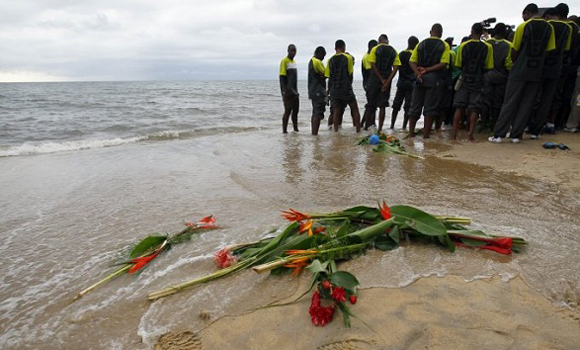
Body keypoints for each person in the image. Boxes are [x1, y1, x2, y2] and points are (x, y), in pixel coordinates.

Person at [489, 3, 555, 143]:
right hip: (536, 71)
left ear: (527, 13)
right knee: (527, 103)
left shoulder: (523, 26)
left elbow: (514, 49)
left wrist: (517, 64)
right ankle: (516, 135)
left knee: (510, 101)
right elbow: (549, 51)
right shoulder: (549, 28)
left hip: (519, 70)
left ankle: (499, 134)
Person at [528, 7, 572, 138]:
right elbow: (567, 48)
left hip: (541, 66)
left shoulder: (547, 26)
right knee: (550, 98)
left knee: (534, 96)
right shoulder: (568, 29)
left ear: (548, 15)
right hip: (558, 68)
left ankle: (529, 124)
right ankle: (545, 126)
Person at [451, 23, 494, 141]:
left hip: (464, 79)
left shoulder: (463, 46)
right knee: (474, 108)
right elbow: (489, 66)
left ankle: (454, 135)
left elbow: (458, 64)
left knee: (459, 107)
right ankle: (470, 134)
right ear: (481, 33)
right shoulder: (488, 47)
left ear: (472, 31)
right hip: (478, 80)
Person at [408, 23, 451, 138]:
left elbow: (411, 61)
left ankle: (411, 134)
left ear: (430, 32)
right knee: (430, 110)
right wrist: (427, 70)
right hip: (434, 79)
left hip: (419, 79)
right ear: (441, 34)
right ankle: (425, 136)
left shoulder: (421, 43)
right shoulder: (444, 45)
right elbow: (444, 63)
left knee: (414, 108)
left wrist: (418, 74)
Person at [362, 34, 401, 132]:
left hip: (374, 80)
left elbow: (373, 64)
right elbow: (396, 67)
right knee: (382, 106)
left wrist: (380, 79)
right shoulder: (393, 51)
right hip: (386, 80)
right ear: (387, 41)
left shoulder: (375, 49)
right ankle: (379, 129)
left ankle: (366, 128)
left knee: (371, 105)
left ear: (379, 41)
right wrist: (387, 81)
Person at [481, 23, 513, 132]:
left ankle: (483, 124)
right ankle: (494, 125)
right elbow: (509, 63)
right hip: (501, 77)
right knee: (498, 102)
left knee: (485, 101)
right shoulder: (508, 45)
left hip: (487, 76)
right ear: (504, 32)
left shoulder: (486, 43)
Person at [325, 40, 361, 133]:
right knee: (354, 108)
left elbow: (329, 77)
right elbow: (350, 74)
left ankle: (336, 132)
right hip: (346, 88)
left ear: (335, 48)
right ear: (343, 47)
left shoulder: (330, 60)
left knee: (336, 111)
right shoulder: (348, 58)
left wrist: (328, 92)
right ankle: (358, 130)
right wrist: (349, 86)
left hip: (334, 89)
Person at [391, 36, 419, 130]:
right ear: (415, 45)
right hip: (411, 85)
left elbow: (397, 67)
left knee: (396, 105)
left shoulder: (401, 54)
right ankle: (404, 126)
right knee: (408, 107)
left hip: (401, 83)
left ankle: (392, 125)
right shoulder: (415, 56)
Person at [279, 44, 299, 134]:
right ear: (288, 51)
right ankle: (284, 131)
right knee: (287, 111)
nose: (293, 53)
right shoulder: (284, 61)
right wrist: (284, 91)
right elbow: (282, 77)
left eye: (294, 51)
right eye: (291, 51)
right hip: (288, 92)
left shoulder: (294, 62)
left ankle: (295, 129)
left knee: (295, 112)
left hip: (295, 91)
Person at [308, 46, 327, 135]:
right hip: (318, 90)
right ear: (319, 54)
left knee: (315, 111)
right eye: (323, 56)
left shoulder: (311, 61)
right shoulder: (317, 61)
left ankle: (314, 133)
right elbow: (326, 73)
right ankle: (315, 134)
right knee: (318, 112)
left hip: (312, 90)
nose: (323, 58)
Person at [362, 40, 378, 129]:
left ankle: (371, 123)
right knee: (371, 105)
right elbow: (370, 71)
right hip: (368, 84)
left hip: (371, 83)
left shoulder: (371, 56)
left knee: (372, 105)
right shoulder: (367, 57)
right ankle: (365, 125)